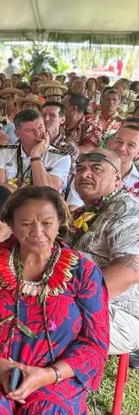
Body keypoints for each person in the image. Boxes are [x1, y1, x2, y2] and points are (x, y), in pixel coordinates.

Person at [0, 186, 109, 415]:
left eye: (47, 222)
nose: (37, 231)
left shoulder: (83, 271)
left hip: (54, 378)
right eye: (26, 223)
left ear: (60, 220)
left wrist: (48, 375)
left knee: (48, 411)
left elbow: (94, 344)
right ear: (10, 224)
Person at [66, 149, 139, 369]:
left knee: (36, 318)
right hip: (76, 301)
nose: (85, 174)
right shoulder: (83, 212)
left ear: (117, 178)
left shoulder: (128, 210)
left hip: (117, 313)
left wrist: (65, 301)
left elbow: (130, 271)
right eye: (80, 169)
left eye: (96, 168)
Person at [0, 109, 71, 193]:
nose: (37, 133)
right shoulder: (3, 152)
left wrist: (35, 157)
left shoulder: (61, 157)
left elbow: (48, 192)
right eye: (30, 130)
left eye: (40, 128)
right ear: (17, 134)